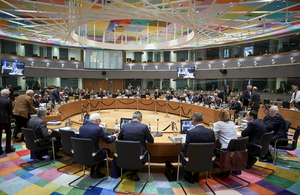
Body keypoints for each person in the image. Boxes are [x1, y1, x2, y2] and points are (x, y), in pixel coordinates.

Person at [118, 111, 154, 181]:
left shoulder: (124, 126)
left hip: (125, 156)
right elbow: (151, 141)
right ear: (140, 119)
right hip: (139, 157)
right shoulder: (144, 127)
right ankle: (134, 172)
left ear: (132, 118)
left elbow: (119, 139)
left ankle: (130, 170)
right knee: (147, 153)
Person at [79, 113, 116, 178]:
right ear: (97, 120)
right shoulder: (98, 129)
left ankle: (92, 171)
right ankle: (97, 172)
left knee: (94, 150)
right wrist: (114, 136)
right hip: (94, 155)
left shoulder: (81, 128)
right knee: (106, 151)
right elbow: (109, 141)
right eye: (100, 121)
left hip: (83, 154)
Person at [181, 112, 215, 183]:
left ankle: (190, 176)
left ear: (193, 120)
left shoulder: (190, 132)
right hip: (206, 160)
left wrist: (183, 142)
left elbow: (185, 149)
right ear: (202, 120)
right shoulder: (211, 132)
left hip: (191, 160)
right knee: (201, 153)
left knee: (183, 155)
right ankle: (196, 174)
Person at [0, 89, 15, 154]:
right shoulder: (8, 101)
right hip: (5, 119)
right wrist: (12, 113)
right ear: (6, 95)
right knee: (8, 133)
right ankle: (8, 148)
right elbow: (10, 112)